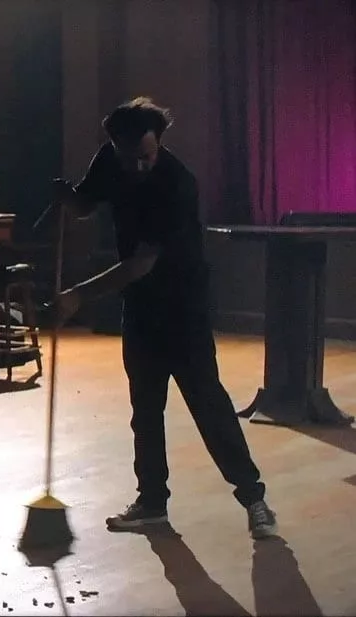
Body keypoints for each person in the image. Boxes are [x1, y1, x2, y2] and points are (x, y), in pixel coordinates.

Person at [50, 97, 277, 539]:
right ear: (114, 145)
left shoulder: (176, 183)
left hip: (183, 306)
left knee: (208, 404)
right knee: (146, 409)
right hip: (141, 307)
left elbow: (140, 263)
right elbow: (86, 204)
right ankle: (152, 502)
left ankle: (254, 499)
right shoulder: (112, 158)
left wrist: (77, 296)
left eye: (146, 157)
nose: (137, 166)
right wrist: (69, 198)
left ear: (160, 144)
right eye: (129, 157)